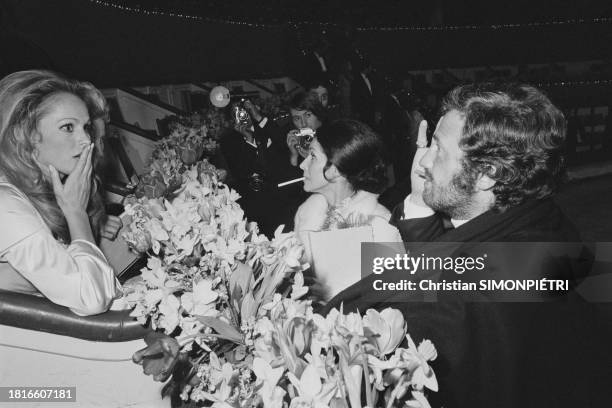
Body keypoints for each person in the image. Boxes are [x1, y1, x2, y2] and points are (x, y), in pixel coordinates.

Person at [324, 83, 607, 407]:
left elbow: (434, 303)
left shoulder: (466, 301)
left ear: (487, 174)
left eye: (438, 149)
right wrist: (419, 202)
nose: (422, 162)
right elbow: (451, 260)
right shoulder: (543, 222)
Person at [0, 70, 122, 316]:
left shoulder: (45, 191)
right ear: (25, 137)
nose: (86, 140)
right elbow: (91, 299)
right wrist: (76, 213)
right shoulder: (6, 204)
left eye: (86, 127)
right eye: (68, 127)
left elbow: (109, 288)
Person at [294, 119, 401, 300]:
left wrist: (332, 294)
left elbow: (394, 298)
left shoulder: (379, 227)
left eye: (312, 157)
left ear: (334, 170)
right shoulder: (307, 213)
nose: (302, 165)